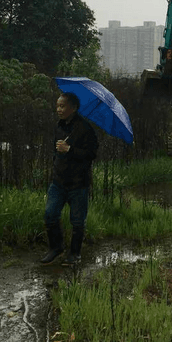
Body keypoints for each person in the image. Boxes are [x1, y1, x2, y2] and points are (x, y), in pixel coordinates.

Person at [40, 92, 98, 265]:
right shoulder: (58, 126)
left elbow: (91, 155)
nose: (58, 109)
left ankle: (75, 254)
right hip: (58, 182)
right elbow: (54, 150)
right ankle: (56, 247)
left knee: (77, 221)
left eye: (62, 106)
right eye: (57, 105)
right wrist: (56, 161)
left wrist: (70, 150)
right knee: (50, 214)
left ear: (73, 108)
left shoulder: (85, 129)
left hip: (78, 184)